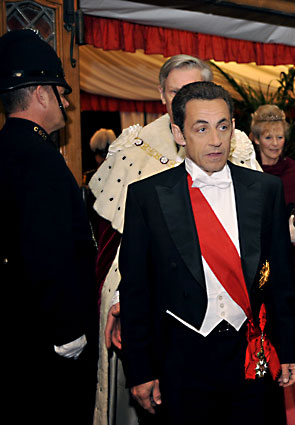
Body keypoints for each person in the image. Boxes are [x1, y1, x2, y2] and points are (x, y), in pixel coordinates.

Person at [89, 54, 262, 425]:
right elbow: (116, 245)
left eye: (194, 88)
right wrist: (121, 302)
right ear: (161, 94)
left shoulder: (236, 144)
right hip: (165, 320)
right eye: (175, 92)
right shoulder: (134, 146)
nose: (184, 99)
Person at [119, 81, 295, 424]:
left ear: (233, 128)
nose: (216, 140)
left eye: (222, 126)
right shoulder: (148, 196)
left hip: (250, 351)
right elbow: (135, 291)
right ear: (179, 133)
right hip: (181, 357)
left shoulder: (266, 190)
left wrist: (290, 347)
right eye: (201, 129)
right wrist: (140, 369)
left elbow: (282, 278)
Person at [0, 29, 97, 424]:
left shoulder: (8, 148)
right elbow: (47, 252)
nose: (67, 102)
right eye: (62, 92)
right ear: (42, 93)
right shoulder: (39, 159)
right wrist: (67, 329)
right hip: (46, 338)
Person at [250, 104, 295, 318]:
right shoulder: (246, 173)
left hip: (289, 268)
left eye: (279, 137)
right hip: (252, 268)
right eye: (268, 137)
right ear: (256, 139)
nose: (275, 144)